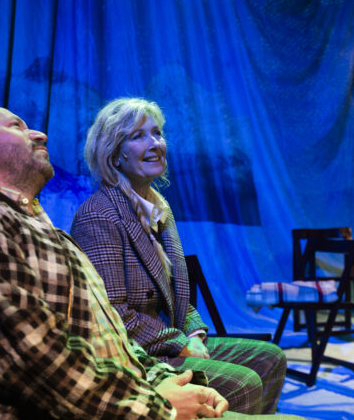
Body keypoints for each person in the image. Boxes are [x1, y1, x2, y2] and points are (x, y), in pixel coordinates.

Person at [0, 107, 303, 420]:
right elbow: (30, 359)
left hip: (124, 393)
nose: (38, 132)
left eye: (158, 133)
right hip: (100, 408)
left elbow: (114, 339)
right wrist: (155, 403)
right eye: (17, 126)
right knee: (245, 382)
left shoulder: (50, 235)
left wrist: (167, 378)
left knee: (260, 366)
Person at [70, 98, 287, 416]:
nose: (155, 143)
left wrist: (196, 333)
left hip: (173, 340)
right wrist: (181, 343)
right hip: (139, 353)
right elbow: (114, 315)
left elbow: (178, 298)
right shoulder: (99, 216)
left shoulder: (159, 208)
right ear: (114, 155)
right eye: (138, 136)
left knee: (271, 358)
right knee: (244, 381)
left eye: (157, 133)